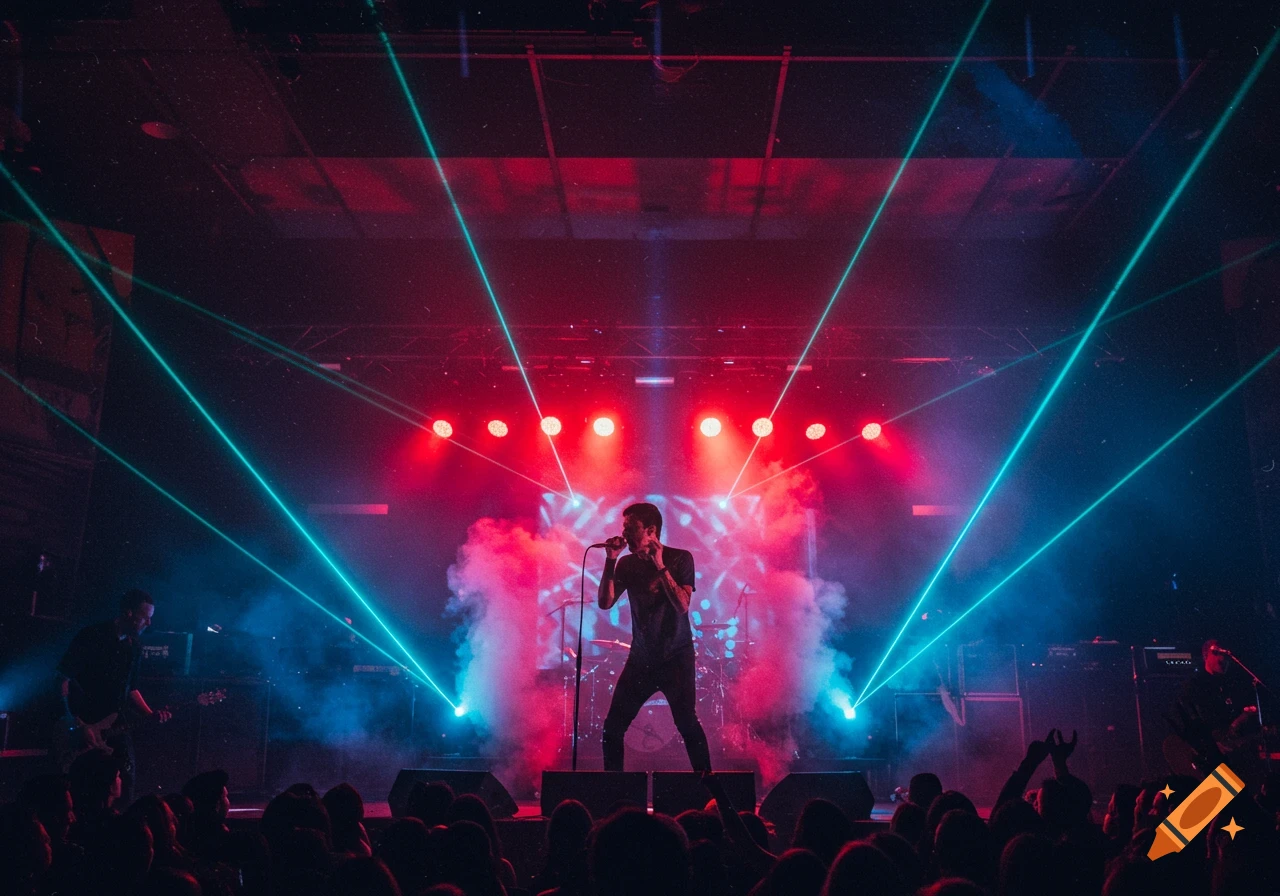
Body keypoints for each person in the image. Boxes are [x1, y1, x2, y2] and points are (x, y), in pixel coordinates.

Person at [597, 502, 712, 772]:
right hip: (641, 659)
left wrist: (660, 566)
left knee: (687, 724)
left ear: (651, 530)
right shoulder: (626, 564)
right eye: (623, 527)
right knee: (612, 729)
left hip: (676, 657)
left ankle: (711, 793)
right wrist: (611, 559)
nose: (624, 534)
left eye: (630, 528)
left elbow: (683, 605)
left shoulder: (680, 558)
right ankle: (616, 797)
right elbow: (605, 603)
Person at [56, 589, 170, 802]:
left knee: (126, 782)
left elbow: (131, 689)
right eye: (145, 617)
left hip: (115, 724)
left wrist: (149, 713)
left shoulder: (133, 646)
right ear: (128, 613)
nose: (149, 623)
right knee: (85, 788)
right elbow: (63, 678)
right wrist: (74, 723)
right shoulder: (92, 636)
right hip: (84, 722)